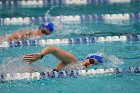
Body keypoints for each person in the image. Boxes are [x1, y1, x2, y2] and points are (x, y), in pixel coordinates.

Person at [23, 46, 103, 71]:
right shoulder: (72, 60)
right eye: (92, 61)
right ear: (86, 59)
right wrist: (41, 55)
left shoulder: (77, 68)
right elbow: (51, 48)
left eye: (93, 65)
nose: (90, 64)